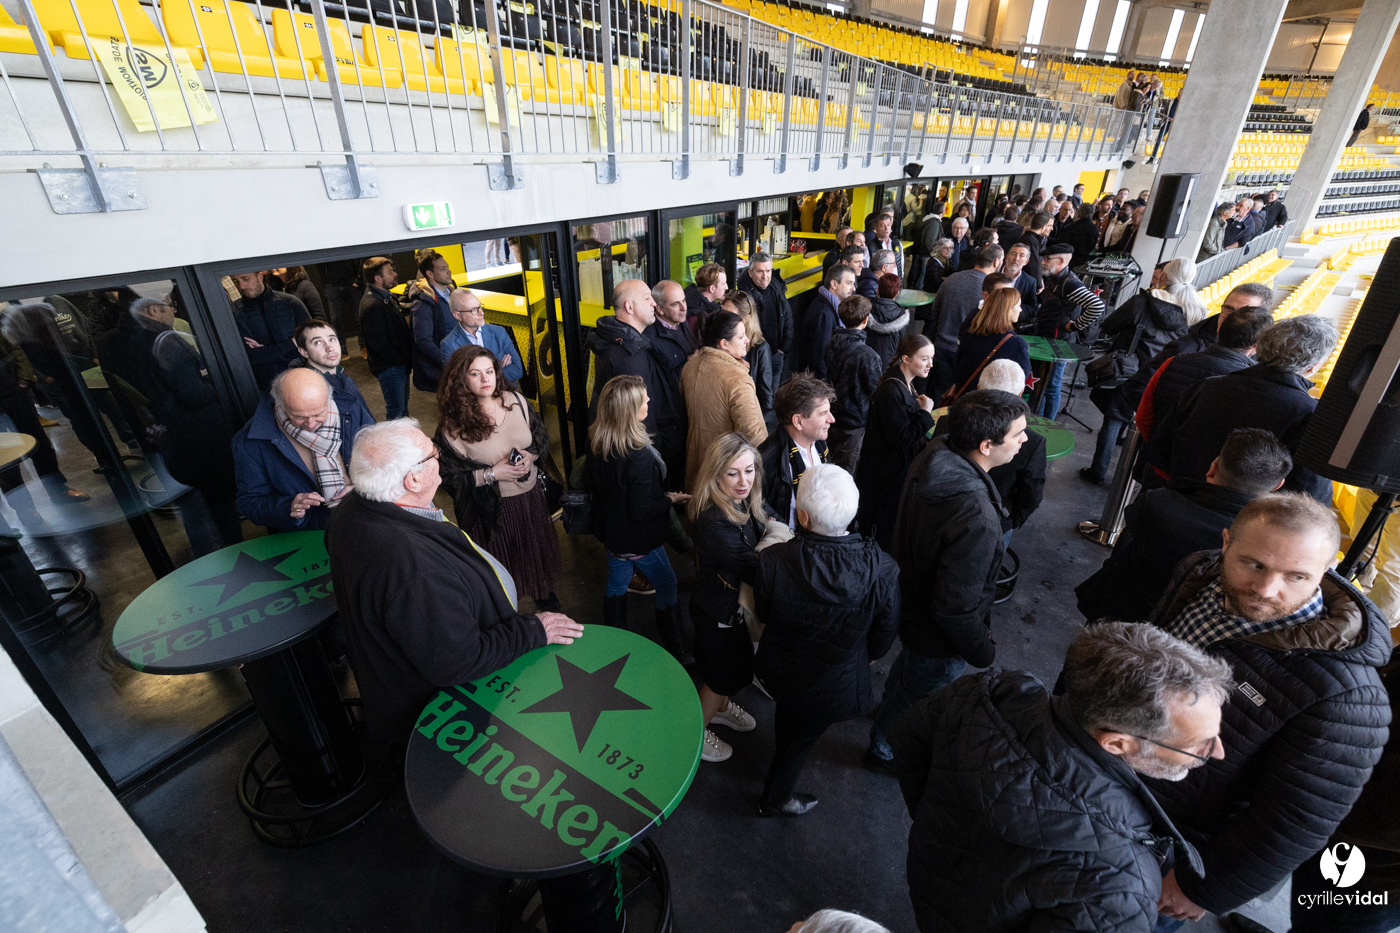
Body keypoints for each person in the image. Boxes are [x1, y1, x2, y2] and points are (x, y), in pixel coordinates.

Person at [1145, 494, 1392, 927]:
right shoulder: (1198, 573)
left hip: (1169, 846)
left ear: (1327, 571)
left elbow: (1295, 820)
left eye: (1296, 576)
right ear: (1226, 542)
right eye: (1254, 564)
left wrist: (1204, 886)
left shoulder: (1346, 695)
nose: (1266, 589)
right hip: (1106, 779)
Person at [891, 621, 1231, 933]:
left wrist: (936, 819)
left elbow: (907, 739)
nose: (1218, 752)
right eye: (1200, 745)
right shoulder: (1121, 886)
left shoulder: (983, 694)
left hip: (930, 881)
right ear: (1116, 743)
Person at [324, 415, 582, 753]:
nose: (440, 456)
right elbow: (457, 661)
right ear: (414, 479)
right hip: (446, 722)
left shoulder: (351, 508)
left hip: (384, 682)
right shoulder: (416, 569)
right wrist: (532, 631)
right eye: (433, 453)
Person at [866, 389, 1028, 771]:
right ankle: (883, 748)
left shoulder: (936, 453)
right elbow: (956, 608)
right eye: (1018, 433)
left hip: (911, 606)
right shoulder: (976, 517)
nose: (1025, 439)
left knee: (907, 674)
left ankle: (883, 711)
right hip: (938, 636)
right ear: (986, 446)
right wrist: (982, 651)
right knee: (917, 696)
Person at [753, 463, 899, 817]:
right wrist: (867, 655)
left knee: (791, 721)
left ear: (802, 516)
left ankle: (778, 778)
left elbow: (764, 612)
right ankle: (774, 799)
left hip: (783, 667)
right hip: (837, 679)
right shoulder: (883, 569)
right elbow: (885, 631)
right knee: (801, 737)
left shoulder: (773, 560)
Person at [1077, 428, 1291, 624]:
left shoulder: (1158, 503)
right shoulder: (1264, 543)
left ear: (1213, 468)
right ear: (1277, 486)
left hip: (1120, 615)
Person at [97, 297, 242, 554]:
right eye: (169, 305)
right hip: (201, 437)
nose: (174, 310)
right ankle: (236, 556)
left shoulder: (119, 342)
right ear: (153, 310)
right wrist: (218, 383)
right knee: (221, 504)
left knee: (190, 504)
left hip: (166, 436)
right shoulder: (168, 342)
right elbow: (194, 394)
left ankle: (206, 556)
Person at [1148, 315, 1337, 502]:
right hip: (1247, 518)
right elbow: (1310, 496)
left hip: (1179, 504)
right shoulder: (1312, 416)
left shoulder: (1206, 386)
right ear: (1313, 367)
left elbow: (1160, 452)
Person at [434, 345, 563, 611]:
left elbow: (540, 436)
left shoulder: (517, 401)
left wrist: (531, 455)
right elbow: (448, 476)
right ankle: (505, 606)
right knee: (503, 563)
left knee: (534, 551)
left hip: (531, 498)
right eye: (475, 374)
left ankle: (541, 591)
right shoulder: (452, 426)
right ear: (461, 378)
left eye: (490, 371)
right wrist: (492, 474)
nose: (485, 379)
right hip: (493, 511)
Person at [587, 374, 691, 658]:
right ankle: (678, 649)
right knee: (667, 585)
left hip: (612, 536)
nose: (649, 400)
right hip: (638, 540)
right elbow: (642, 510)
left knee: (617, 584)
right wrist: (669, 499)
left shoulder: (597, 442)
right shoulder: (638, 456)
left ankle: (616, 642)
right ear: (629, 411)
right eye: (643, 399)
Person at [1079, 257, 1201, 486]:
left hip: (1129, 369)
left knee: (1113, 418)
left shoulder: (1142, 302)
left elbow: (1108, 326)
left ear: (1164, 277)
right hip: (1164, 373)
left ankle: (1098, 471)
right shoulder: (1193, 311)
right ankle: (1133, 480)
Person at [688, 433, 768, 764]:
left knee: (732, 670)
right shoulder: (713, 520)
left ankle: (720, 708)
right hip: (718, 611)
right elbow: (753, 569)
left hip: (728, 608)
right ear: (716, 473)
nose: (743, 481)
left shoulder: (744, 498)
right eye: (733, 473)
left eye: (749, 470)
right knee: (719, 677)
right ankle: (695, 733)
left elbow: (769, 518)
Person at [231, 366, 371, 531]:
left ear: (328, 398)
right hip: (311, 533)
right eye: (299, 417)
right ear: (280, 404)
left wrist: (365, 488)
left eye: (318, 414)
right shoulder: (250, 441)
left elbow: (387, 460)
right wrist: (287, 507)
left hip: (367, 516)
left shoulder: (350, 408)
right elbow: (250, 503)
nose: (310, 424)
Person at [1135, 302, 1275, 446]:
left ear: (1219, 329)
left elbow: (1143, 417)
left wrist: (1157, 446)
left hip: (1156, 453)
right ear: (1257, 344)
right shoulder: (1252, 384)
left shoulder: (1172, 362)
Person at [854, 335, 935, 549]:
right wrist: (925, 414)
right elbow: (902, 438)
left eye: (931, 358)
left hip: (891, 474)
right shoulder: (891, 391)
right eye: (924, 358)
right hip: (885, 479)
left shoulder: (904, 384)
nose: (930, 364)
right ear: (906, 359)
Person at [681, 311, 768, 491]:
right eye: (741, 336)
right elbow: (754, 434)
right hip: (728, 473)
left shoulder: (689, 367)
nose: (747, 340)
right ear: (724, 344)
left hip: (695, 466)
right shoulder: (737, 379)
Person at [1034, 243, 1105, 419]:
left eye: (1047, 259)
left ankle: (1047, 425)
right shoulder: (1056, 279)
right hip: (1048, 340)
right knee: (1043, 385)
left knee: (1052, 387)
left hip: (1058, 344)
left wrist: (1074, 326)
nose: (1043, 262)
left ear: (1061, 261)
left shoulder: (1070, 283)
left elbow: (1097, 306)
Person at [977, 361, 1044, 543]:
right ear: (1021, 393)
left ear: (979, 388)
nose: (1023, 438)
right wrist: (1012, 521)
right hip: (999, 522)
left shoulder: (947, 422)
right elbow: (1032, 493)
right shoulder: (1033, 442)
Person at [760, 374, 835, 531]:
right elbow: (757, 506)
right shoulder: (767, 459)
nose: (831, 419)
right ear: (798, 421)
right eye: (823, 413)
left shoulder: (820, 444)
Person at [927, 245, 1002, 401]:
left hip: (941, 347)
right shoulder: (991, 291)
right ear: (996, 262)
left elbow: (935, 311)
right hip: (968, 353)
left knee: (940, 393)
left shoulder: (952, 279)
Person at [643, 279, 695, 487]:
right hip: (670, 422)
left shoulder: (681, 324)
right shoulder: (650, 338)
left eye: (684, 301)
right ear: (660, 309)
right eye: (676, 304)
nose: (684, 307)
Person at [823, 296, 882, 473]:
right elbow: (875, 391)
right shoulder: (868, 355)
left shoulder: (831, 344)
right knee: (845, 472)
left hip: (830, 413)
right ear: (865, 320)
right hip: (853, 421)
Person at [230, 270, 310, 391]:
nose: (241, 286)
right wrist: (291, 343)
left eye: (245, 279)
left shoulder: (291, 302)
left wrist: (265, 352)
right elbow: (250, 357)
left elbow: (310, 344)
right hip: (264, 385)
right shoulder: (234, 312)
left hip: (302, 377)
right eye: (235, 281)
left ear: (260, 276)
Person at [949, 288, 1030, 402]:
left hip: (965, 400)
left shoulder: (968, 334)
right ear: (1008, 310)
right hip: (995, 403)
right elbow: (1022, 379)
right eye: (1019, 306)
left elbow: (957, 371)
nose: (1021, 310)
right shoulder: (1016, 344)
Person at [358, 257, 413, 420]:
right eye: (390, 272)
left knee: (402, 408)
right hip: (391, 368)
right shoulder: (372, 305)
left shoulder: (386, 298)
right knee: (396, 411)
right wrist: (399, 360)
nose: (395, 274)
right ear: (378, 279)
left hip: (397, 366)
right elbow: (379, 344)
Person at [439, 289, 523, 384]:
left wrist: (477, 376)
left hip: (506, 391)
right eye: (474, 310)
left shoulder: (499, 332)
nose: (481, 313)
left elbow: (517, 370)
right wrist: (498, 370)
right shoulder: (449, 345)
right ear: (458, 316)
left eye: (480, 307)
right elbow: (458, 383)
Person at [721, 289, 775, 432]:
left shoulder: (760, 348)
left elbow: (765, 398)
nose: (724, 320)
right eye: (723, 313)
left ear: (747, 319)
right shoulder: (719, 342)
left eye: (731, 316)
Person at [292, 318, 371, 413]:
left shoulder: (342, 376)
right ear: (304, 352)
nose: (330, 348)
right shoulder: (309, 393)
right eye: (318, 342)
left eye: (332, 339)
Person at [737, 252, 792, 385]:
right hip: (754, 358)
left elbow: (788, 317)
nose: (765, 276)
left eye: (768, 271)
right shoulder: (743, 296)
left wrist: (783, 347)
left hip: (776, 354)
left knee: (773, 395)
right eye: (760, 271)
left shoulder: (777, 288)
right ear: (750, 273)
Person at [797, 263, 857, 379]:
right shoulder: (823, 314)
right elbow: (819, 358)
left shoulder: (830, 307)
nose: (853, 288)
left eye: (853, 283)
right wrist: (826, 386)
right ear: (834, 284)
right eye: (849, 283)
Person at [407, 252, 456, 392]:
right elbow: (423, 341)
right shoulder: (423, 303)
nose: (449, 271)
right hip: (447, 370)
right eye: (442, 269)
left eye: (447, 267)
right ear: (430, 274)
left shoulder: (452, 293)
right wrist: (449, 362)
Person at [866, 273, 909, 368]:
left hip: (865, 360)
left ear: (878, 290)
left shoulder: (865, 308)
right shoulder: (901, 315)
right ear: (897, 293)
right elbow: (901, 343)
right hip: (888, 363)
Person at [685, 262, 728, 341]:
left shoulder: (694, 300)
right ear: (712, 289)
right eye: (723, 284)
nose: (726, 287)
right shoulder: (695, 318)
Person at [999, 242, 1039, 321]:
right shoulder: (993, 273)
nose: (1016, 258)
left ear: (1026, 262)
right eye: (1013, 254)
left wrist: (1012, 311)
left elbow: (1032, 308)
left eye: (1021, 256)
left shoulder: (1030, 282)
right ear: (1006, 257)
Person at [1056, 202, 1100, 270]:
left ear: (1078, 213)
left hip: (1070, 261)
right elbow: (1092, 245)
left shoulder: (1070, 228)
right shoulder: (1095, 228)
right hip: (1086, 261)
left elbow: (1063, 246)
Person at [1015, 211, 1054, 287]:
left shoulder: (1036, 239)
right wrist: (1039, 284)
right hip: (1028, 283)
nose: (1052, 229)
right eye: (1049, 226)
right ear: (1043, 226)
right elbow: (1034, 266)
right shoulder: (1031, 241)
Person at [866, 212, 904, 278]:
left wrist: (901, 279)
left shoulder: (897, 243)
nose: (886, 228)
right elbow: (866, 268)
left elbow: (901, 264)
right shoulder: (870, 246)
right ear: (876, 228)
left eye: (888, 225)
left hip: (896, 281)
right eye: (882, 226)